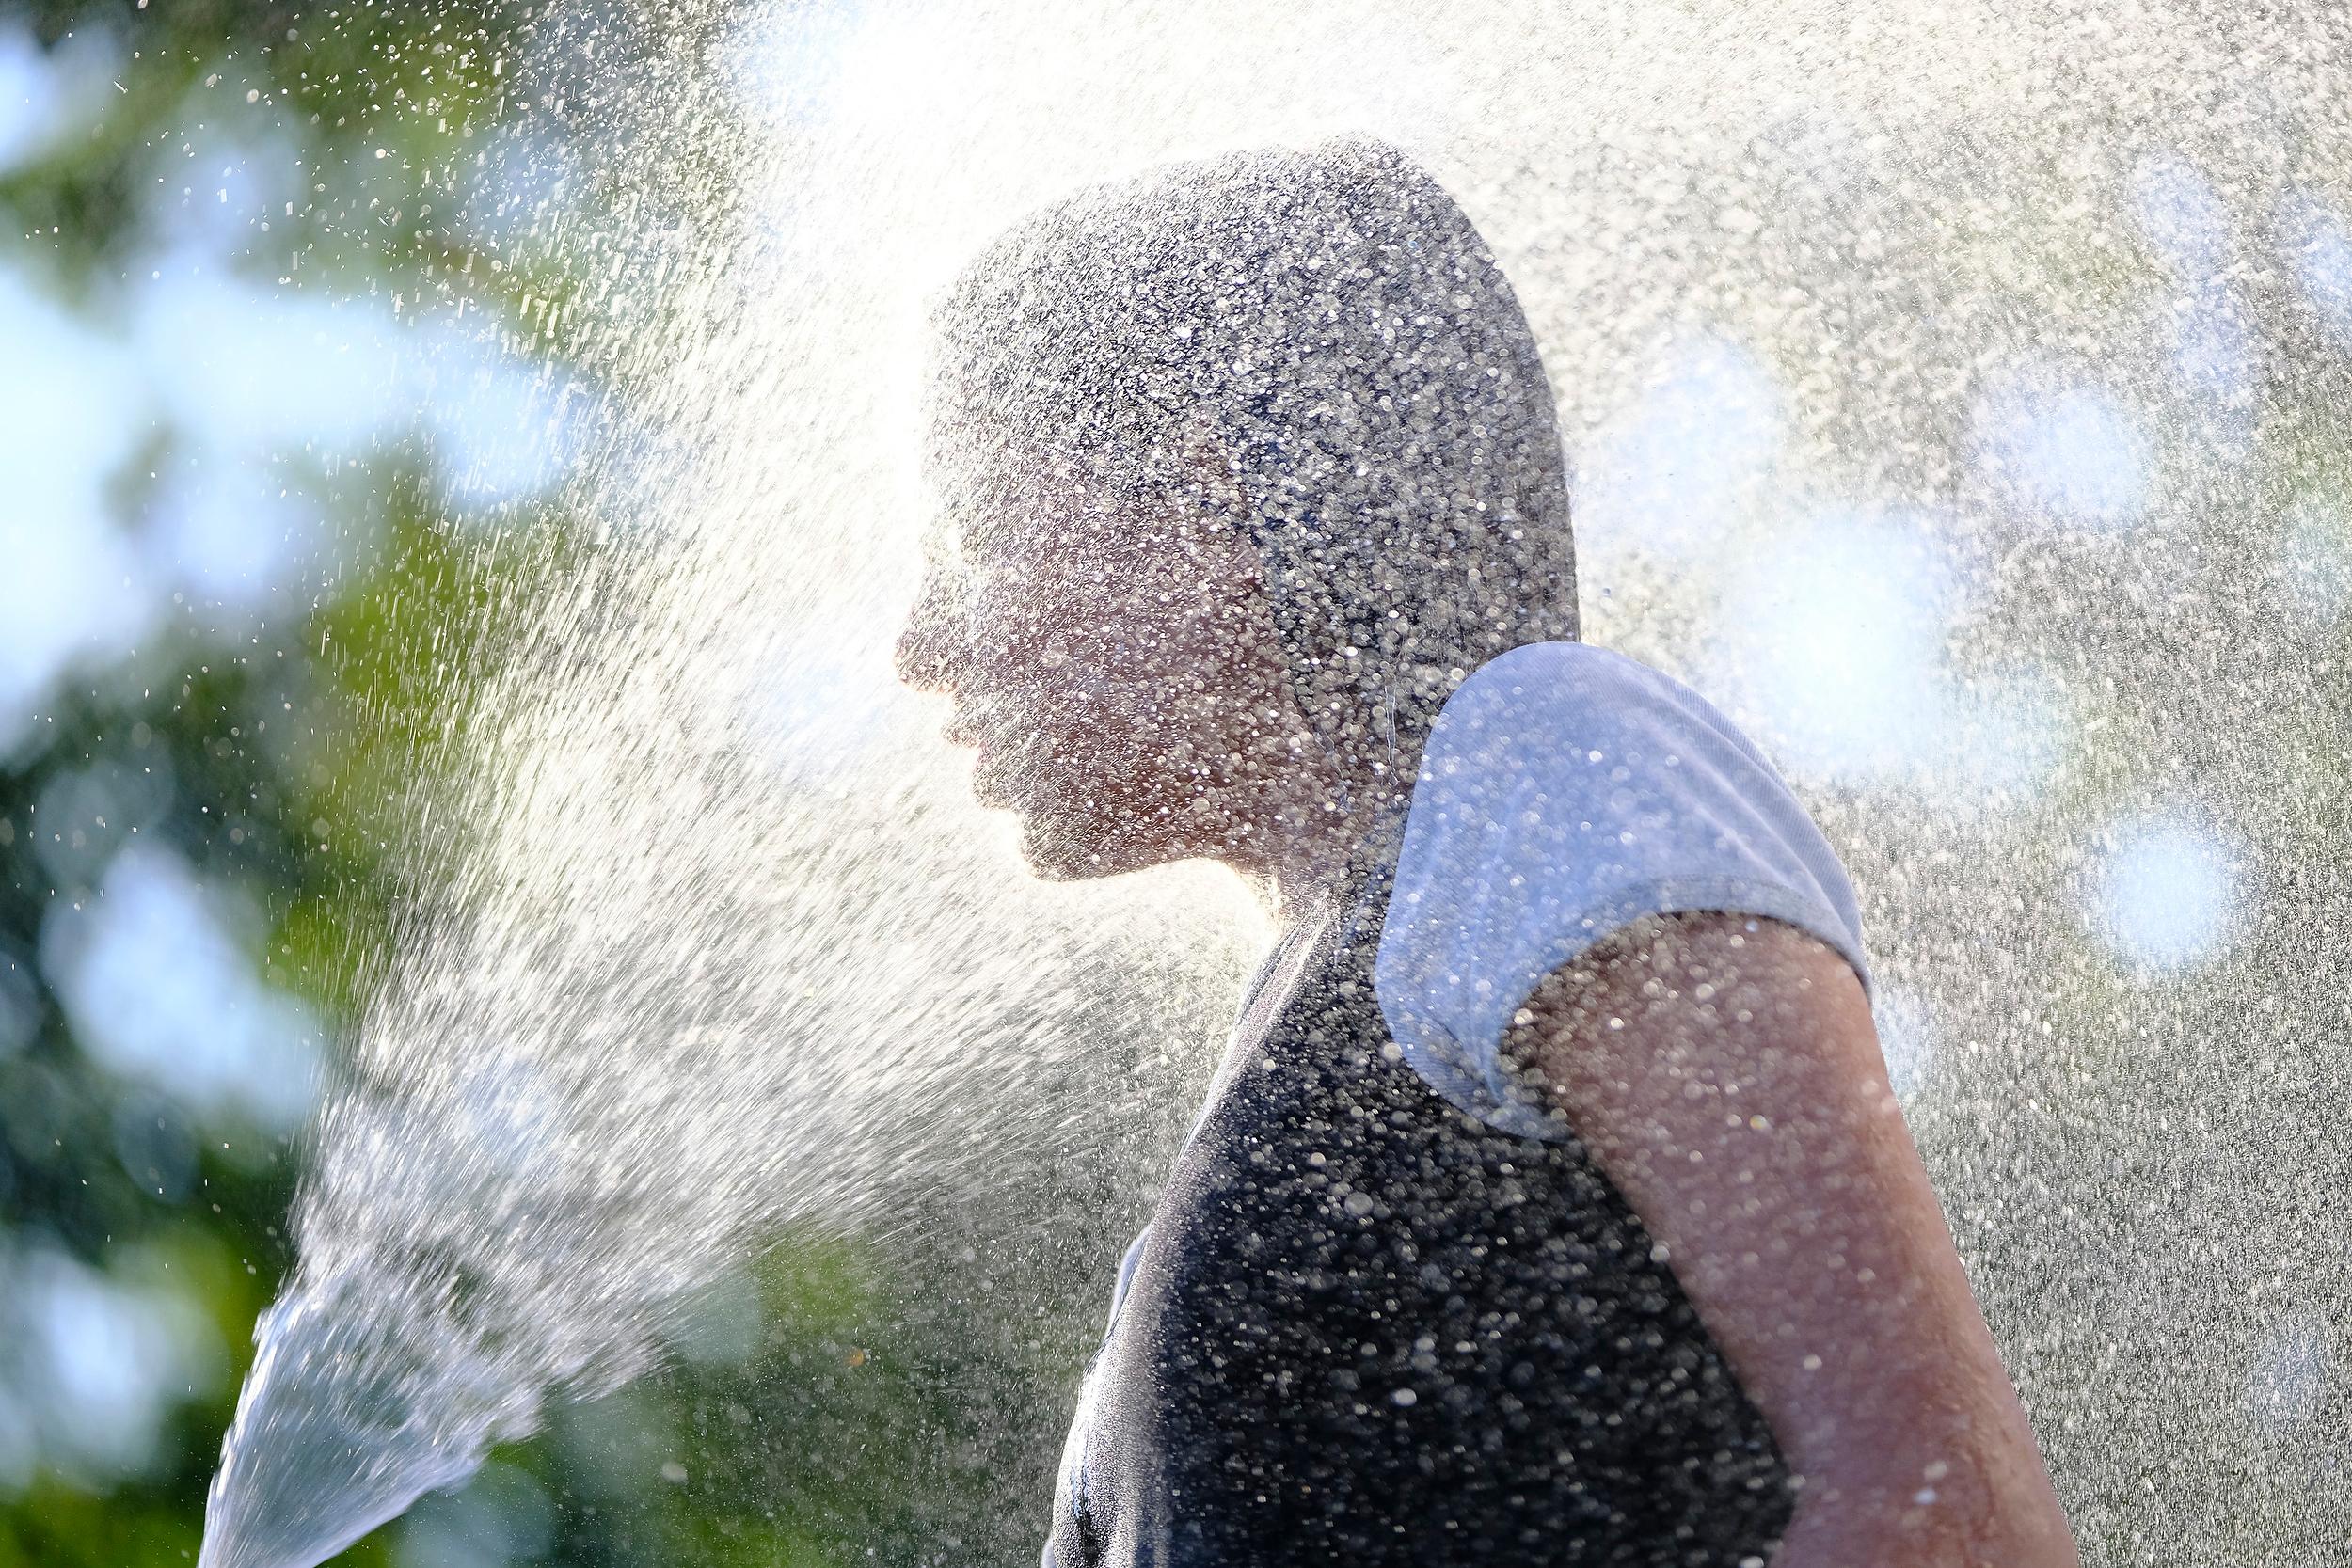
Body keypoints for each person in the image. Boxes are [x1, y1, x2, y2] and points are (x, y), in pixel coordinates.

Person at [897, 137, 2077, 1568]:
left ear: (1204, 505)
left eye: (975, 538)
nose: (920, 645)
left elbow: (1944, 1513)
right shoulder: (1197, 1227)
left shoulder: (1539, 771)